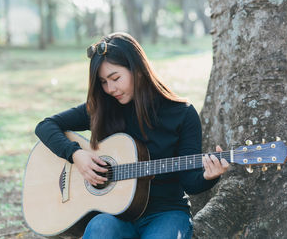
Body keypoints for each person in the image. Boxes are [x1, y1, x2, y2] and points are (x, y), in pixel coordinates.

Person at [35, 32, 229, 239]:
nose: (110, 89)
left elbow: (190, 182)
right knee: (100, 228)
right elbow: (46, 126)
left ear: (137, 70)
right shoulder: (103, 107)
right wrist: (76, 155)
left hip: (166, 213)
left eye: (115, 78)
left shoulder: (182, 113)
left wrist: (209, 177)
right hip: (114, 214)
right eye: (103, 82)